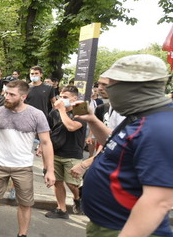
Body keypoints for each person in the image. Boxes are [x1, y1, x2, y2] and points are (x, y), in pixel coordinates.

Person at [74, 54, 173, 236]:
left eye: (111, 85)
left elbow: (160, 201)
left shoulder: (161, 128)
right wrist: (92, 120)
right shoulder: (139, 117)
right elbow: (116, 147)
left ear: (134, 87)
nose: (106, 91)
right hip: (108, 225)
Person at [0, 80, 55, 237]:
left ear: (23, 97)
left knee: (25, 204)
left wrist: (50, 170)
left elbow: (46, 142)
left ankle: (22, 234)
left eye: (12, 94)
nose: (7, 97)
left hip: (23, 166)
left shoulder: (36, 115)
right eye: (6, 93)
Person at [42, 86, 87, 219]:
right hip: (55, 152)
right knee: (58, 182)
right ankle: (61, 209)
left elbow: (71, 127)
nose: (62, 100)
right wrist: (42, 146)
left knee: (72, 183)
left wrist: (62, 110)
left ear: (75, 98)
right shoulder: (54, 112)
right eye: (61, 96)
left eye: (65, 97)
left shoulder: (81, 110)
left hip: (73, 154)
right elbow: (48, 130)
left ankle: (78, 197)